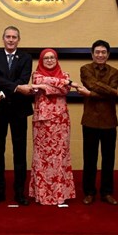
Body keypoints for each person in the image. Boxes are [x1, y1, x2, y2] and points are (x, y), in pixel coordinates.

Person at [79, 39, 118, 206]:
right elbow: (91, 84)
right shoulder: (85, 69)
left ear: (108, 55)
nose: (100, 55)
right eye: (97, 52)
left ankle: (107, 192)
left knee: (108, 159)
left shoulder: (114, 71)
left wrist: (91, 94)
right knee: (89, 159)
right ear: (92, 54)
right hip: (90, 120)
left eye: (103, 52)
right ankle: (89, 192)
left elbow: (101, 91)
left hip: (109, 121)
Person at [0, 26, 34, 206]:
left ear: (18, 40)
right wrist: (13, 89)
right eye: (8, 37)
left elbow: (24, 80)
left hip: (19, 110)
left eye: (14, 37)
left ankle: (19, 192)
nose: (11, 40)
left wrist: (3, 94)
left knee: (19, 152)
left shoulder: (26, 57)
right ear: (3, 39)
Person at [29, 48, 77, 205]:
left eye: (52, 58)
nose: (49, 60)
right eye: (46, 58)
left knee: (60, 156)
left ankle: (60, 194)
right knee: (42, 158)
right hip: (42, 122)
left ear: (57, 60)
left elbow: (64, 90)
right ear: (41, 61)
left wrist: (47, 86)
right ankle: (42, 194)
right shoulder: (36, 75)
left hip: (60, 121)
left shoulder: (65, 75)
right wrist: (63, 83)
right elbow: (39, 82)